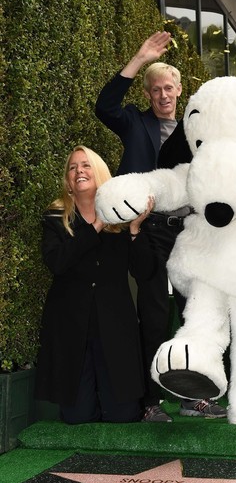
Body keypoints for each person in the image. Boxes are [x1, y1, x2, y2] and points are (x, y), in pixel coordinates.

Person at [95, 31, 226, 421]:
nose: (163, 95)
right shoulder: (135, 122)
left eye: (169, 88)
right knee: (152, 315)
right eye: (155, 90)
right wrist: (139, 59)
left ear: (180, 90)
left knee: (194, 316)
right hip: (148, 232)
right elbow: (105, 106)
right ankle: (151, 403)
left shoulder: (197, 133)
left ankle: (192, 397)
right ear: (148, 94)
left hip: (192, 233)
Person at [35, 146, 155, 424]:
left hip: (115, 326)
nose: (79, 171)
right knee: (78, 417)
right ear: (67, 180)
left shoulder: (123, 218)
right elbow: (58, 263)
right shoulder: (55, 218)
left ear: (99, 173)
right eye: (73, 167)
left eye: (86, 165)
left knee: (123, 416)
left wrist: (136, 229)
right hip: (70, 326)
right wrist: (97, 225)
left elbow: (144, 271)